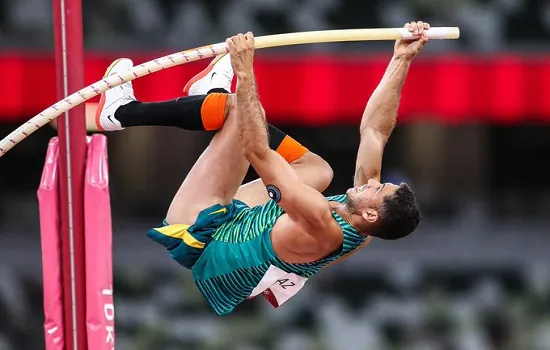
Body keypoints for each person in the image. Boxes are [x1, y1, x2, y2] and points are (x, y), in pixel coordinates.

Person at [95, 21, 427, 315]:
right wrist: (402, 59)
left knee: (241, 109)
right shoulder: (363, 225)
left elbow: (257, 152)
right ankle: (210, 95)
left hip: (199, 232)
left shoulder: (321, 223)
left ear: (371, 215)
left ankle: (122, 112)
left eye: (378, 189)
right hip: (245, 223)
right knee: (318, 170)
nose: (372, 183)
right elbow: (375, 131)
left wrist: (245, 73)